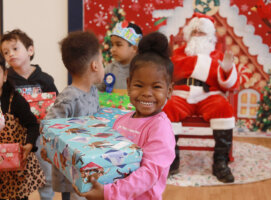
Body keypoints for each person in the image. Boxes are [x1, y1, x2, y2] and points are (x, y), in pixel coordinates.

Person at [73, 32, 176, 200]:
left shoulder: (160, 128)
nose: (146, 93)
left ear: (169, 91)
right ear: (128, 85)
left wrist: (108, 193)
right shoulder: (121, 120)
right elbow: (106, 156)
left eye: (156, 87)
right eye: (138, 85)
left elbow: (149, 174)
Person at [163, 12, 238, 183]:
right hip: (182, 94)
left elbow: (228, 85)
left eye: (201, 33)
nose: (197, 36)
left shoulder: (218, 56)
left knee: (224, 108)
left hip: (209, 95)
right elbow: (169, 73)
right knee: (168, 109)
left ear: (210, 36)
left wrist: (226, 69)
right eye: (194, 32)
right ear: (189, 34)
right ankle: (172, 160)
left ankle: (220, 162)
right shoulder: (179, 53)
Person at [40, 31, 104, 200]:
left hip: (90, 165)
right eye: (103, 62)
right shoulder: (69, 98)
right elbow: (48, 126)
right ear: (95, 65)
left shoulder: (93, 91)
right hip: (71, 171)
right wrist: (47, 149)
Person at [0, 29, 58, 200]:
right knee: (16, 174)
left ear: (30, 50)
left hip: (40, 134)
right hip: (14, 135)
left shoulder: (44, 79)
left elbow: (56, 103)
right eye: (6, 52)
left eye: (15, 49)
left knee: (46, 172)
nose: (10, 54)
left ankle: (47, 197)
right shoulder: (6, 80)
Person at [0, 49, 45, 200]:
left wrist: (29, 144)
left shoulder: (15, 100)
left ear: (5, 75)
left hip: (16, 167)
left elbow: (32, 124)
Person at [97, 21, 142, 93]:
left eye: (118, 45)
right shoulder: (109, 69)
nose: (112, 49)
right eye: (112, 45)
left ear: (134, 49)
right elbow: (99, 88)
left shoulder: (142, 70)